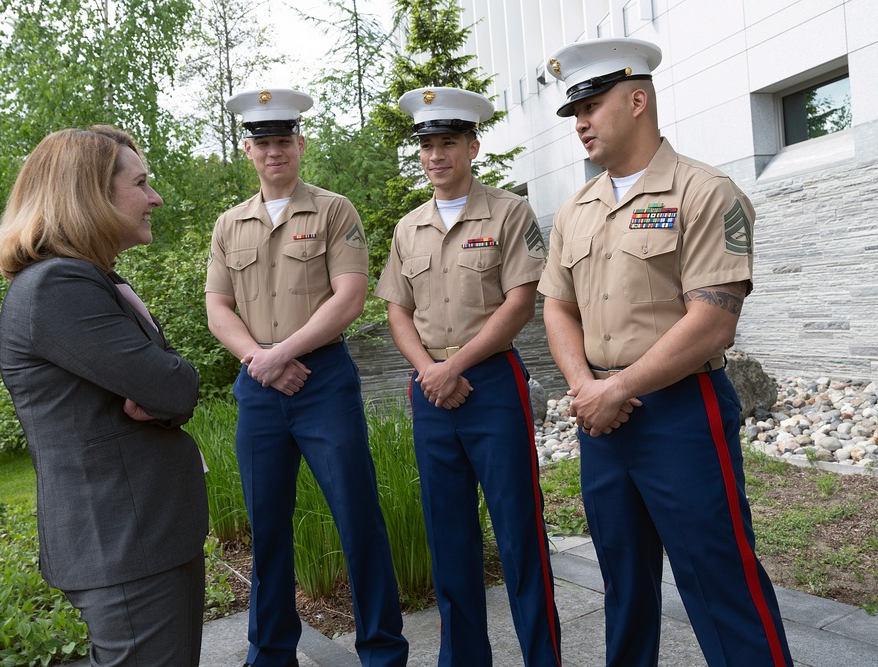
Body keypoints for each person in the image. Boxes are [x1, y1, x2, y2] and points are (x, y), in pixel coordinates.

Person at [538, 38, 793, 667]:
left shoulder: (705, 192)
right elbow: (558, 306)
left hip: (679, 412)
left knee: (717, 576)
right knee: (622, 583)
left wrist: (617, 390)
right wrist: (585, 386)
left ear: (637, 99)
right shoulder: (577, 209)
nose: (580, 123)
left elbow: (712, 324)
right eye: (574, 112)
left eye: (591, 106)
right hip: (600, 415)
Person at [0, 125, 209, 667]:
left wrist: (160, 387)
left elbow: (161, 385)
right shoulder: (57, 287)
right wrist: (165, 387)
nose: (155, 197)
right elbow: (174, 386)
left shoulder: (89, 279)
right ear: (89, 195)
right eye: (141, 183)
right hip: (123, 544)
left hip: (143, 538)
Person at [204, 88, 409, 667]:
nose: (275, 153)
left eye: (284, 142)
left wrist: (283, 353)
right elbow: (219, 308)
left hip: (323, 381)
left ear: (300, 143)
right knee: (265, 528)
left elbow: (350, 296)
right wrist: (258, 359)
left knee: (357, 516)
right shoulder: (229, 224)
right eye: (263, 143)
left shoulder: (334, 211)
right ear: (248, 149)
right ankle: (269, 654)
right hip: (259, 387)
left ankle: (383, 652)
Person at [374, 86, 562, 667]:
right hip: (431, 391)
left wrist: (452, 366)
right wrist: (430, 370)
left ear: (472, 146)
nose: (436, 155)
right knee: (448, 540)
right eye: (427, 145)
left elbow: (521, 302)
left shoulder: (510, 212)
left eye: (448, 142)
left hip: (491, 387)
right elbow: (397, 311)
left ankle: (543, 659)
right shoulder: (409, 228)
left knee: (519, 536)